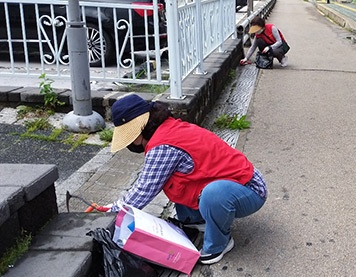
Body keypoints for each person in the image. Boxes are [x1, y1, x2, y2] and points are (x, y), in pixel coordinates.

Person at [105, 94, 267, 265]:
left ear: (139, 128)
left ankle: (220, 242)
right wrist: (114, 207)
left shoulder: (162, 145)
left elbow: (145, 189)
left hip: (251, 189)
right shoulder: (168, 128)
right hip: (236, 185)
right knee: (178, 179)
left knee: (213, 194)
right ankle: (197, 220)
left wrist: (113, 212)